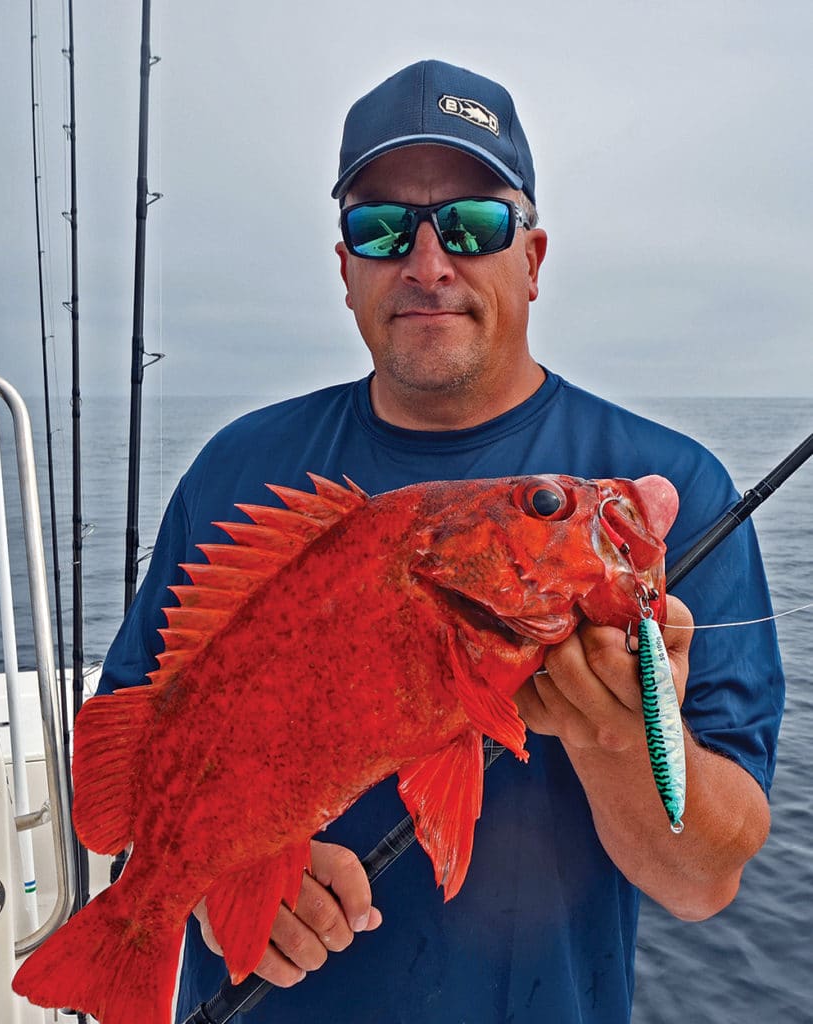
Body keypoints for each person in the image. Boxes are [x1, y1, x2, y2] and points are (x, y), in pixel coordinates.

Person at [98, 60, 784, 1023]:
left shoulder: (669, 488)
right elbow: (136, 743)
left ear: (533, 258)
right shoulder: (236, 468)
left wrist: (623, 740)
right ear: (345, 271)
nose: (428, 265)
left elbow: (703, 882)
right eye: (381, 229)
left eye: (473, 224)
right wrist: (219, 882)